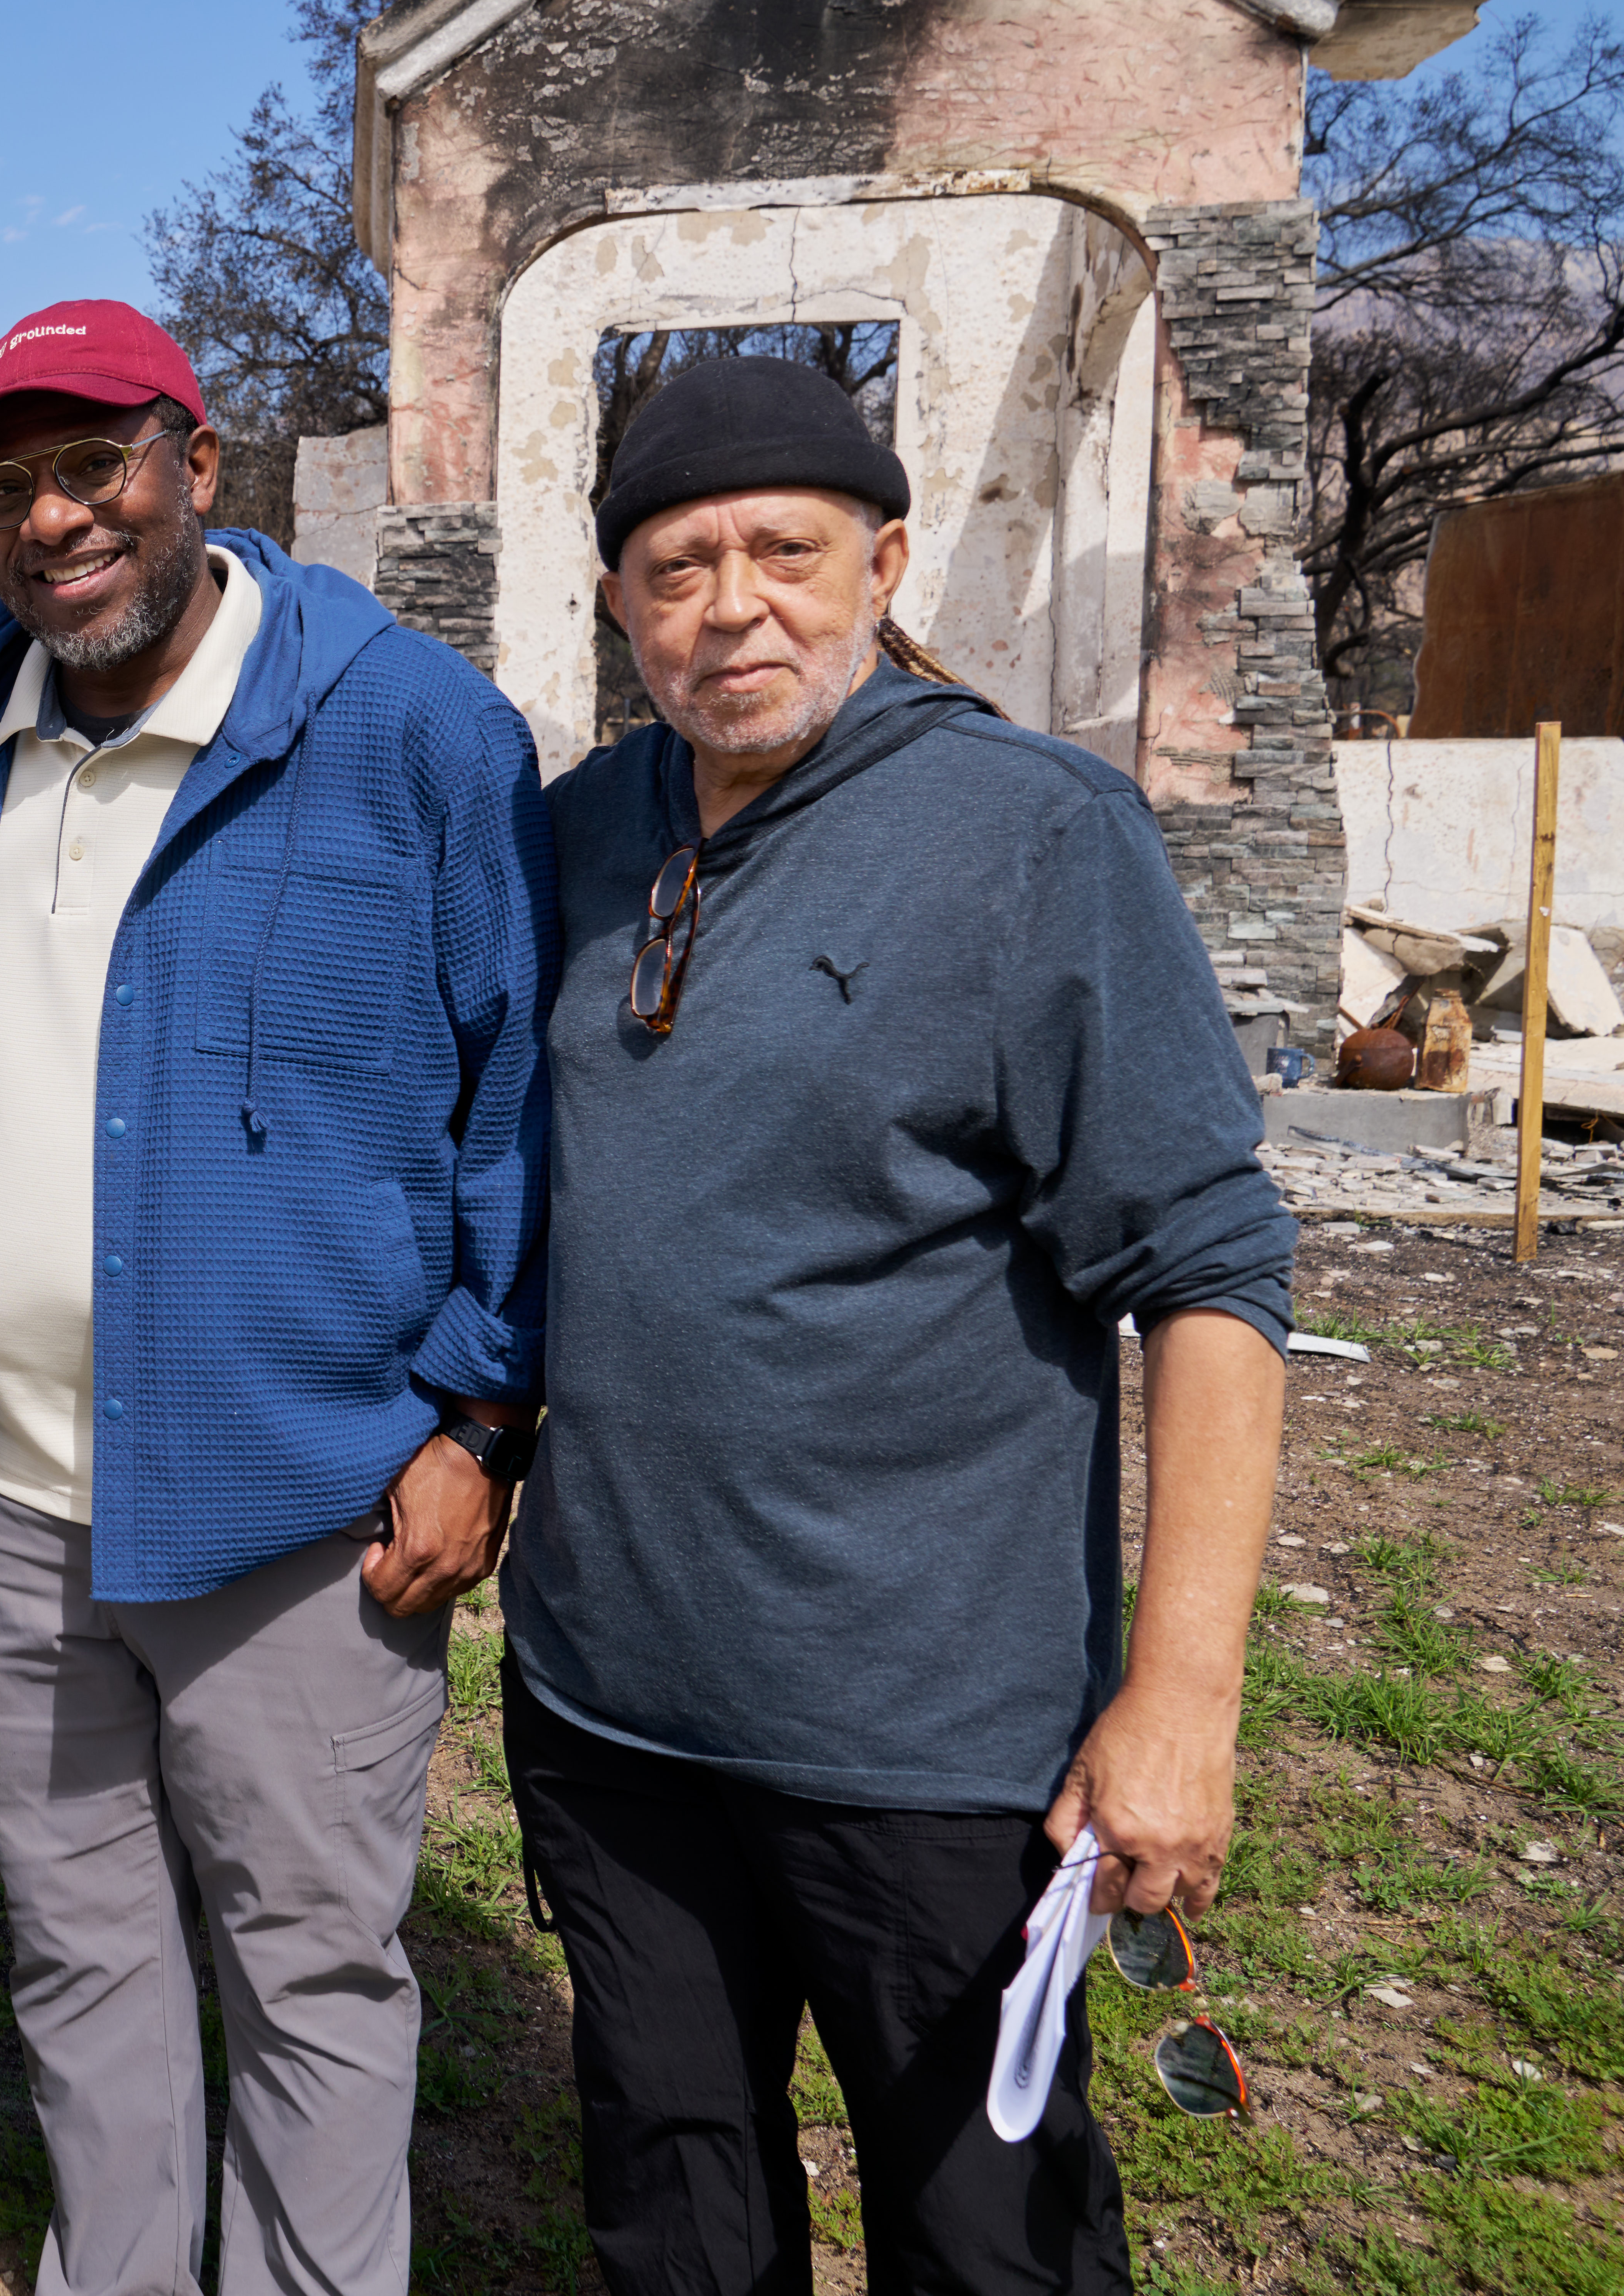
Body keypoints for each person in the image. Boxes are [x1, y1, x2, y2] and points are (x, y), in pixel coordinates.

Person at [505, 355, 1290, 2293]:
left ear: (885, 561)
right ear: (620, 606)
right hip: (614, 1705)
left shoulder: (1036, 838)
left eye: (784, 551)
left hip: (929, 1739)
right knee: (676, 2216)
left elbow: (1207, 1275)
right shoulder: (587, 838)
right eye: (676, 569)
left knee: (987, 2237)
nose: (732, 606)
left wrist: (1181, 1701)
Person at [0, 301, 555, 2296]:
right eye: (9, 490)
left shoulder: (413, 731)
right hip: (20, 1499)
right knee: (80, 1953)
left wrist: (482, 1423)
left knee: (309, 1967)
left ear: (196, 458)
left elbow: (508, 1103)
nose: (52, 520)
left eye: (93, 465)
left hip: (301, 1511)